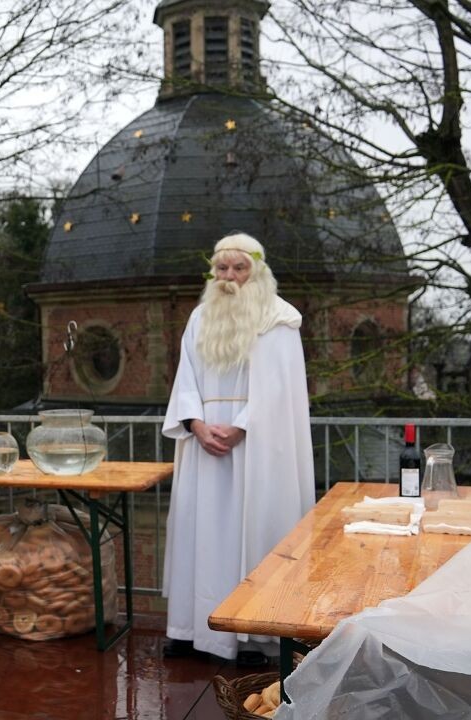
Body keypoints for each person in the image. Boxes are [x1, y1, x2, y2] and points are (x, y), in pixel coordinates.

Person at [161, 233, 315, 665]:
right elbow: (185, 378)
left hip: (255, 450)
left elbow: (281, 391)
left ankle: (251, 638)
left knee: (252, 537)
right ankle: (191, 630)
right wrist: (195, 423)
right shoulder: (199, 317)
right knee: (201, 533)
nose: (229, 277)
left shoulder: (279, 320)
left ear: (257, 270)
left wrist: (242, 427)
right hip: (204, 443)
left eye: (239, 268)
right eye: (222, 268)